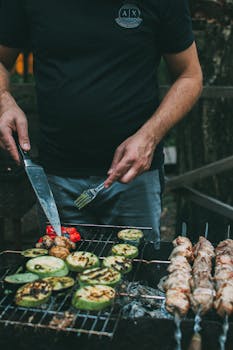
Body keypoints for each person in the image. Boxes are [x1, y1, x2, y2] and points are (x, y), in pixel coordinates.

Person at [0, 0, 202, 244]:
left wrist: (150, 136)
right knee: (57, 276)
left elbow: (190, 75)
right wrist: (4, 99)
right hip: (57, 175)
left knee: (139, 273)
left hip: (134, 176)